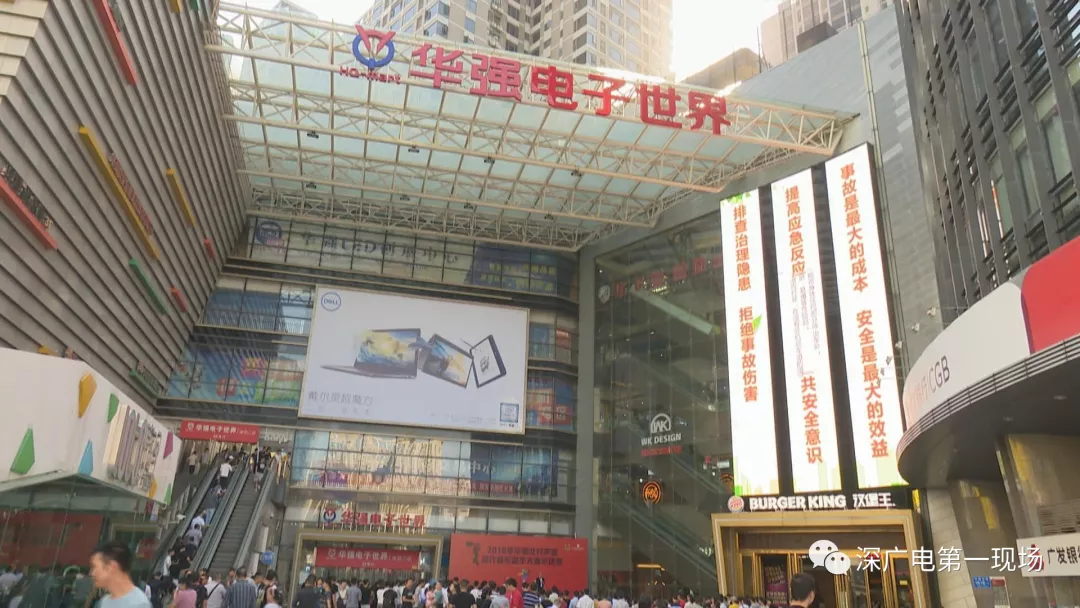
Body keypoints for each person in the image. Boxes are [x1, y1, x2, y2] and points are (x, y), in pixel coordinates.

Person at [90, 541, 152, 608]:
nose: (92, 573)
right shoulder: (103, 602)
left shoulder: (140, 604)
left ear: (112, 566)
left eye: (94, 567)